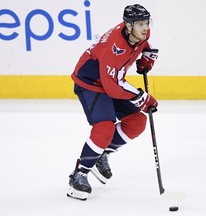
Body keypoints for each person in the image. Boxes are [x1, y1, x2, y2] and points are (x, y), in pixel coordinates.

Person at [67, 4, 159, 201]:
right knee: (104, 128)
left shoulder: (141, 33)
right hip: (90, 83)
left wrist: (147, 56)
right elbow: (113, 86)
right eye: (139, 24)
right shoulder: (114, 47)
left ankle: (102, 153)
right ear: (128, 25)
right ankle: (80, 174)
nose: (145, 28)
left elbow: (143, 45)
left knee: (137, 122)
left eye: (146, 22)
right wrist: (142, 98)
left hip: (109, 81)